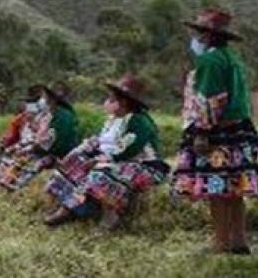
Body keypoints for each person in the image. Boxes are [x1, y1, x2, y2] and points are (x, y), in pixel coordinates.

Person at [171, 8, 258, 254]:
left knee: (216, 188)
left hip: (217, 133)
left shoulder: (209, 60)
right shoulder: (232, 58)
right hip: (240, 130)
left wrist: (201, 133)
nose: (195, 38)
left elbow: (210, 100)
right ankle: (239, 241)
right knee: (236, 188)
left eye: (198, 33)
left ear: (207, 36)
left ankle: (220, 243)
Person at [43, 75, 169, 230]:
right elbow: (99, 141)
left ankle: (110, 216)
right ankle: (69, 209)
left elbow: (128, 150)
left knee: (101, 172)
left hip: (144, 166)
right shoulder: (113, 120)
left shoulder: (138, 121)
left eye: (111, 98)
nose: (107, 101)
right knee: (74, 165)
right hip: (116, 160)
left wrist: (100, 160)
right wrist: (76, 154)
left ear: (123, 101)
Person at [0, 84, 80, 191]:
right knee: (12, 156)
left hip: (57, 154)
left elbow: (53, 142)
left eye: (44, 98)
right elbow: (38, 139)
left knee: (25, 162)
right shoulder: (49, 115)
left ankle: (15, 188)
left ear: (52, 99)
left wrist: (29, 148)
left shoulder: (63, 117)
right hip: (42, 149)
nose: (43, 100)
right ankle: (0, 185)